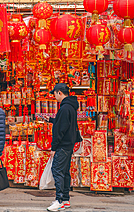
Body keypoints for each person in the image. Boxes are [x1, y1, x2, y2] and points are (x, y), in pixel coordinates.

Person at [45, 83, 82, 211]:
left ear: (59, 92)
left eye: (54, 93)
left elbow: (60, 130)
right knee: (65, 172)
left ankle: (59, 199)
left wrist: (53, 147)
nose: (54, 96)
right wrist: (51, 120)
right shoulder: (70, 107)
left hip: (63, 145)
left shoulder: (65, 108)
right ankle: (65, 199)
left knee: (57, 171)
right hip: (68, 145)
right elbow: (64, 123)